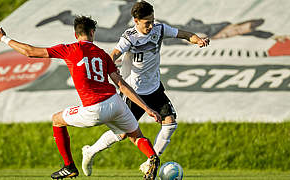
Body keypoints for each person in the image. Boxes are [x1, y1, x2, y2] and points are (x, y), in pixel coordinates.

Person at [0, 15, 162, 180]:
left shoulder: (69, 49)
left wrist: (4, 38)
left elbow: (30, 52)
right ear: (93, 33)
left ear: (76, 34)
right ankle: (152, 158)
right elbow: (122, 86)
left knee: (56, 120)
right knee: (136, 136)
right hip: (116, 103)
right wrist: (147, 109)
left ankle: (69, 166)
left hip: (94, 109)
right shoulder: (103, 54)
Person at [82, 0, 209, 176]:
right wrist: (110, 66)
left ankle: (151, 161)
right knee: (123, 134)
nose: (151, 26)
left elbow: (184, 34)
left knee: (170, 124)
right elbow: (114, 54)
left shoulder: (160, 29)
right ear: (136, 21)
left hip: (155, 89)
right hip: (134, 92)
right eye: (147, 23)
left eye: (152, 20)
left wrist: (198, 40)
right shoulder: (129, 37)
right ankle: (90, 151)